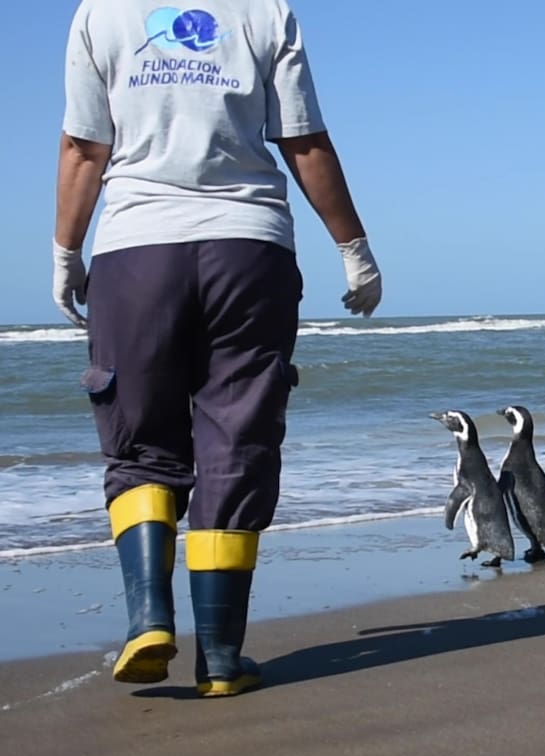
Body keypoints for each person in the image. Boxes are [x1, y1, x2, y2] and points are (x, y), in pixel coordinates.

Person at [53, 0, 383, 697]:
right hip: (249, 249)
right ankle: (222, 658)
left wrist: (66, 251)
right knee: (238, 440)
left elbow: (84, 147)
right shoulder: (266, 10)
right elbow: (304, 140)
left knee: (140, 444)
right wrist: (353, 247)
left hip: (136, 250)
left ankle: (149, 617)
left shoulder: (100, 12)